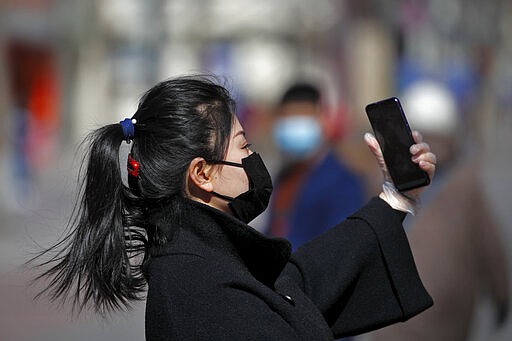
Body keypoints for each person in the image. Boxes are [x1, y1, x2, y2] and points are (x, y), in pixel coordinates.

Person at [34, 75, 436, 340]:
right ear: (202, 174)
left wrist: (395, 199)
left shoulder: (201, 258)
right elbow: (288, 305)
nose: (253, 159)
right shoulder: (203, 293)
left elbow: (294, 285)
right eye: (243, 147)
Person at [267, 83, 365, 250]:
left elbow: (339, 248)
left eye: (302, 117)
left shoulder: (344, 183)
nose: (294, 127)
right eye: (288, 117)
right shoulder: (284, 176)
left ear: (324, 120)